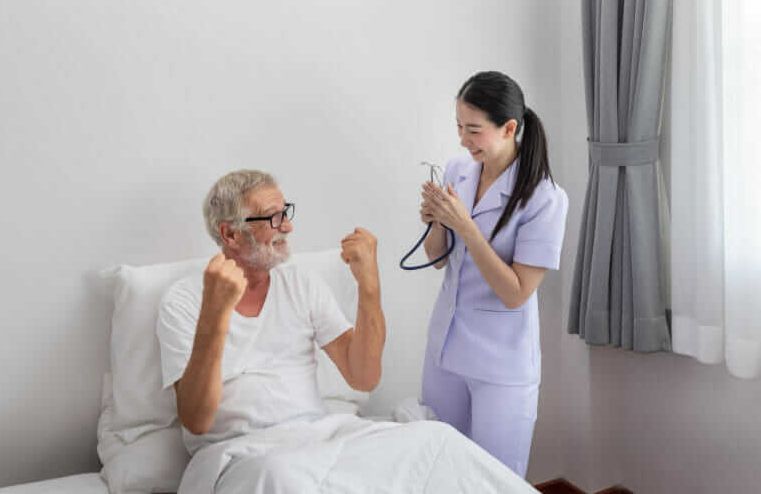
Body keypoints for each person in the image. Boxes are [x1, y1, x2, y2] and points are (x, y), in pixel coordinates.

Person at [157, 168, 385, 452]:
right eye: (273, 217)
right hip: (240, 452)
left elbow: (364, 378)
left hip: (314, 440)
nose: (287, 227)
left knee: (435, 439)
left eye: (285, 213)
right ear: (230, 234)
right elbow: (196, 421)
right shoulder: (183, 300)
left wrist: (369, 287)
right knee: (283, 478)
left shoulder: (301, 284)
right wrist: (214, 315)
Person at [419, 71, 568, 478]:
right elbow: (437, 259)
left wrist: (466, 227)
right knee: (438, 472)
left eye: (473, 130)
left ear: (509, 128)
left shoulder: (545, 199)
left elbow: (517, 293)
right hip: (445, 352)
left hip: (500, 366)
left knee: (494, 480)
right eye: (458, 127)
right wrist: (437, 221)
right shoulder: (457, 170)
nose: (463, 141)